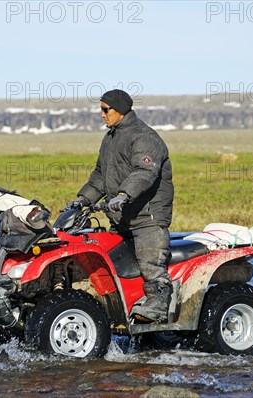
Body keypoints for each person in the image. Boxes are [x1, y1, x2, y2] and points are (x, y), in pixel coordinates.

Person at [68, 89, 174, 323]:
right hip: (120, 216)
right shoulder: (111, 138)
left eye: (106, 110)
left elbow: (145, 172)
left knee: (150, 264)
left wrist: (125, 194)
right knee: (114, 264)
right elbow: (99, 176)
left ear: (121, 111)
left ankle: (158, 305)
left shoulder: (144, 137)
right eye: (101, 110)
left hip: (148, 217)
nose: (102, 114)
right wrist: (83, 199)